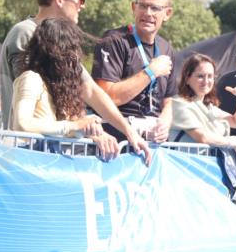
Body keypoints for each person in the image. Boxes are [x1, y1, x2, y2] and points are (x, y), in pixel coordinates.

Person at [11, 18, 151, 164]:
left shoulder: (59, 88)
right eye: (68, 51)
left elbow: (66, 127)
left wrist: (95, 134)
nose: (74, 59)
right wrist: (75, 126)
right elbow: (22, 124)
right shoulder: (31, 78)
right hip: (29, 163)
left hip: (47, 163)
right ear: (53, 52)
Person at [0, 0, 87, 128]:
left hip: (45, 149)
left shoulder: (54, 44)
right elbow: (23, 122)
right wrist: (74, 126)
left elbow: (89, 90)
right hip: (25, 149)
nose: (83, 6)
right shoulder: (25, 34)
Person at [92, 0, 177, 143]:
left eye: (155, 8)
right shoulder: (113, 40)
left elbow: (168, 100)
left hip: (153, 142)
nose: (147, 13)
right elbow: (107, 98)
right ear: (133, 7)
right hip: (117, 141)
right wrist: (150, 72)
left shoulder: (166, 48)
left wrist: (165, 121)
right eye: (143, 6)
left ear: (167, 13)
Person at [171, 53, 236, 167]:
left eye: (210, 76)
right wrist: (233, 142)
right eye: (200, 76)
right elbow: (202, 137)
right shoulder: (179, 103)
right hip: (185, 170)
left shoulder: (208, 107)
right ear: (187, 78)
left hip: (207, 170)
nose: (206, 81)